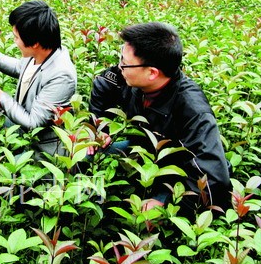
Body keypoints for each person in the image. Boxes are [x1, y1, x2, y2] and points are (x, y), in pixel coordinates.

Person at [88, 22, 232, 214]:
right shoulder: (128, 73)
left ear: (152, 73)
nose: (119, 66)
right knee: (84, 153)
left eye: (124, 62)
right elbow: (104, 84)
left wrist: (167, 203)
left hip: (175, 177)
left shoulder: (193, 110)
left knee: (147, 216)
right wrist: (98, 129)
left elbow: (213, 178)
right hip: (142, 152)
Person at [0, 0, 77, 159]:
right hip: (21, 125)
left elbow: (33, 122)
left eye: (16, 37)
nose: (14, 42)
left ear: (35, 43)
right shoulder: (44, 51)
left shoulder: (62, 75)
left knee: (10, 175)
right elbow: (20, 68)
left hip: (39, 145)